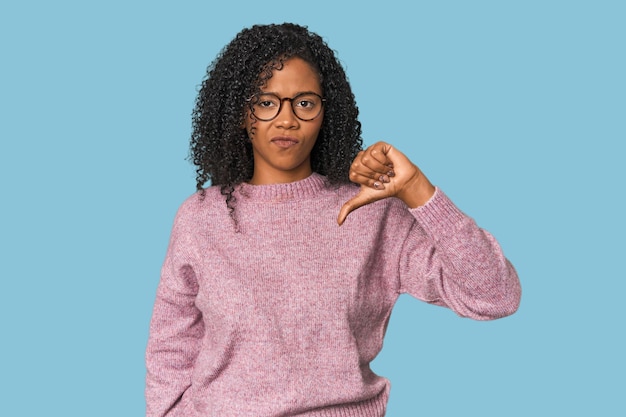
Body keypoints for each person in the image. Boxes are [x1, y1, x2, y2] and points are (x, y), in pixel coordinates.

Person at [145, 23, 521, 417]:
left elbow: (494, 295)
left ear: (327, 112)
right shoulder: (200, 219)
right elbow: (171, 347)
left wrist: (417, 190)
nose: (287, 119)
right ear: (241, 112)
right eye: (266, 101)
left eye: (304, 102)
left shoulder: (370, 212)